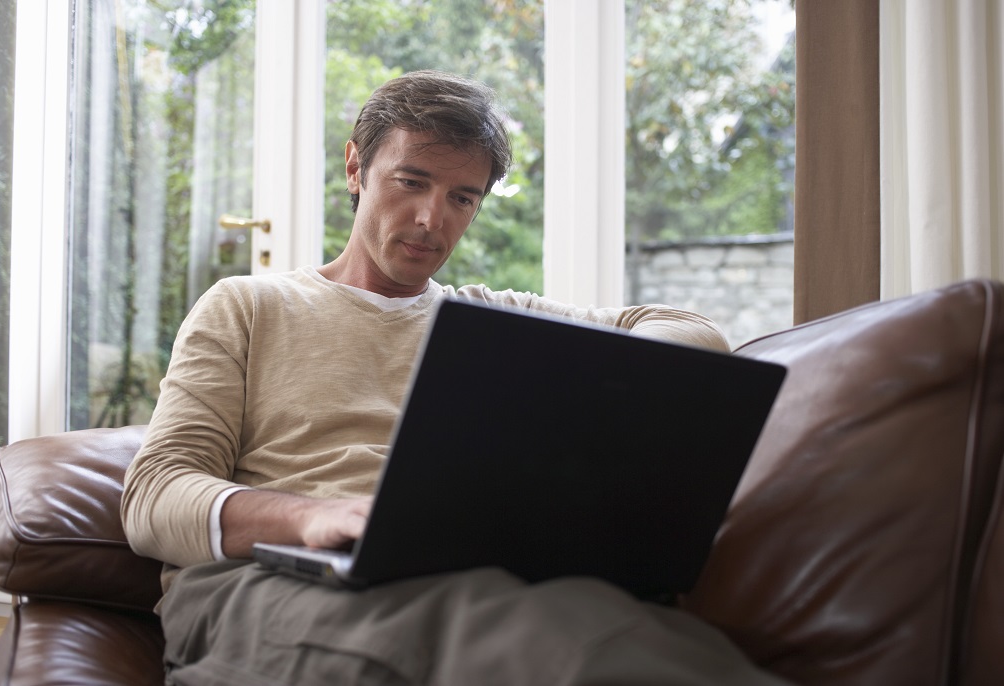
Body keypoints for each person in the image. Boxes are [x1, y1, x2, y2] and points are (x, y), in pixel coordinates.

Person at [121, 70, 787, 686]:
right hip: (269, 581)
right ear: (356, 166)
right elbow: (154, 496)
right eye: (411, 182)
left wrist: (590, 382)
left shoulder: (496, 319)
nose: (432, 220)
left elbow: (689, 329)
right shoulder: (248, 306)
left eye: (461, 197)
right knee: (549, 643)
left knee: (600, 617)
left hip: (464, 576)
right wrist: (314, 517)